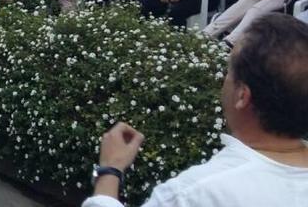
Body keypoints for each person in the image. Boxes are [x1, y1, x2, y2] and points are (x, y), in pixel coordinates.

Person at [82, 13, 308, 207]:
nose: (223, 78)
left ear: (242, 96)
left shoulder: (197, 192)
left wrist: (110, 171)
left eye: (229, 69)